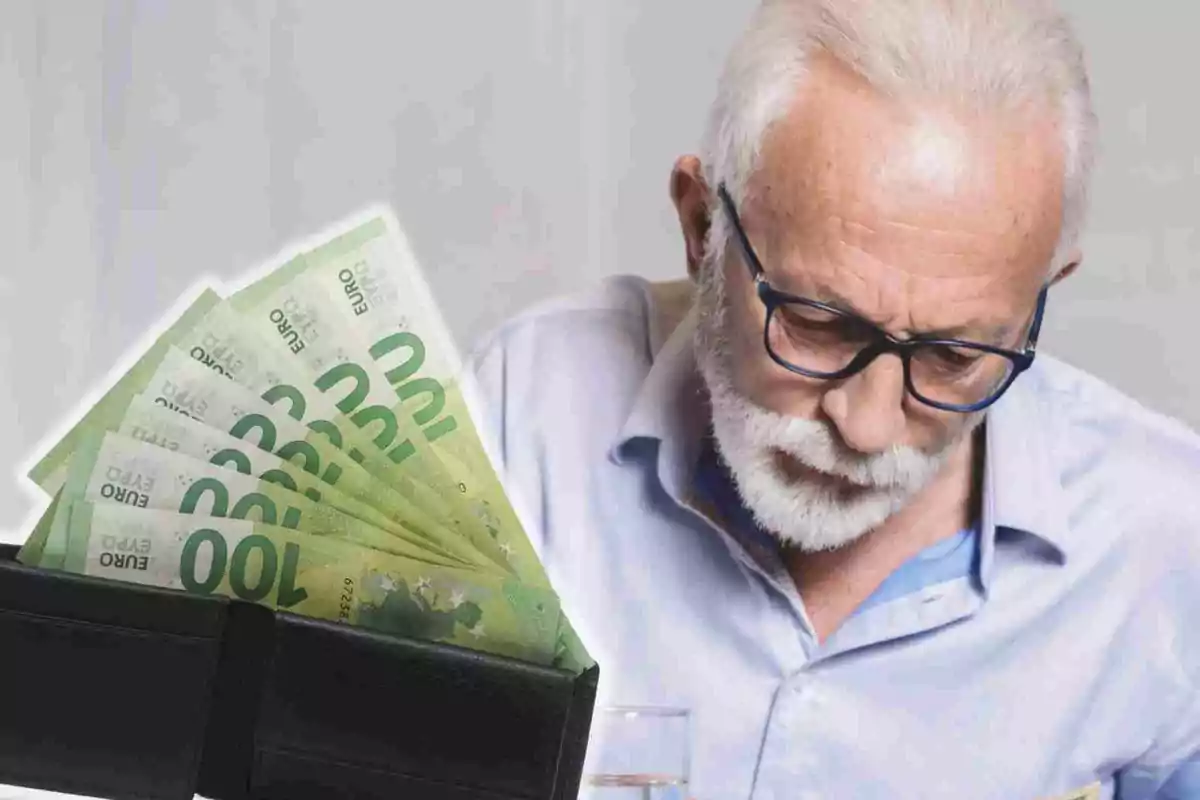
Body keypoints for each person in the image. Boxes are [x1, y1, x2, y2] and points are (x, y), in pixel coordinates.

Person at [466, 0, 1200, 797]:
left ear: (1040, 300)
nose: (867, 424)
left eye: (956, 354)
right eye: (818, 323)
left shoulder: (1163, 546)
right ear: (700, 225)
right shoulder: (522, 413)